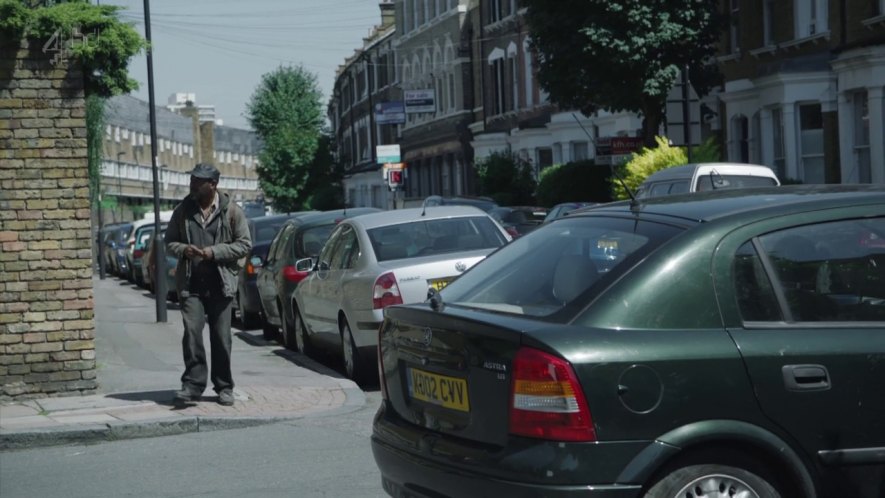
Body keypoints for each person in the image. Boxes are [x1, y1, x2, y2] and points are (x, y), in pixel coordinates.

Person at [164, 163, 252, 406]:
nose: (192, 184)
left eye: (197, 181)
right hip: (191, 284)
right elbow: (169, 241)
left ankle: (224, 387)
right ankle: (192, 385)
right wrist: (184, 250)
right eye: (191, 180)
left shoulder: (232, 211)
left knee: (221, 337)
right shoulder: (183, 210)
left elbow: (244, 244)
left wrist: (213, 252)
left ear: (212, 184)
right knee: (192, 333)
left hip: (221, 285)